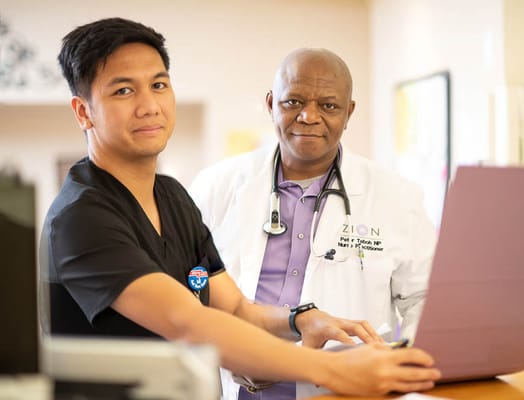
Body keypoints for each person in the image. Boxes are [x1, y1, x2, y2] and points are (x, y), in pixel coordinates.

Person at [38, 17, 440, 398]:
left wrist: (302, 318)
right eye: (123, 91)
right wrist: (336, 370)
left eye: (158, 85)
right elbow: (187, 321)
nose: (149, 106)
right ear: (83, 111)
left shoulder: (171, 197)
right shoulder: (81, 217)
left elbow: (229, 305)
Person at [189, 48, 438, 399]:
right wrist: (227, 350)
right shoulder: (216, 186)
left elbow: (423, 298)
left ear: (349, 112)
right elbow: (188, 286)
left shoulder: (397, 196)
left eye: (329, 105)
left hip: (346, 391)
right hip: (236, 387)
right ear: (270, 103)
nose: (308, 116)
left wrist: (404, 371)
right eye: (293, 102)